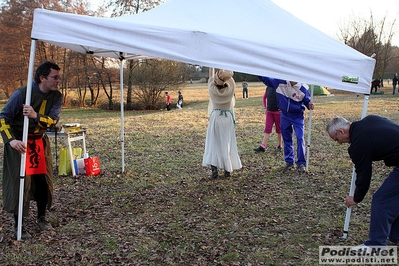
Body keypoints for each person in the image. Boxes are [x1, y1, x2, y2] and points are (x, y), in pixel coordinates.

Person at [0, 61, 62, 239]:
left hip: (39, 143)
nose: (58, 80)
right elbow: (3, 118)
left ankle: (42, 217)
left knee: (42, 181)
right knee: (21, 183)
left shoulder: (56, 96)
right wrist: (11, 141)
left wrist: (35, 116)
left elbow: (53, 121)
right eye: (55, 77)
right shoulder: (22, 94)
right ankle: (18, 225)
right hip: (19, 145)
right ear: (43, 78)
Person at [326, 115, 399, 247]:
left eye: (337, 140)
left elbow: (364, 174)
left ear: (341, 131)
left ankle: (375, 245)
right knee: (394, 199)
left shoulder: (358, 145)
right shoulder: (369, 120)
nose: (340, 143)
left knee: (381, 200)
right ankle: (396, 237)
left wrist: (356, 197)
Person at [258, 76, 314, 174]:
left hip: (297, 116)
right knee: (287, 138)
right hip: (284, 114)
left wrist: (309, 104)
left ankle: (301, 163)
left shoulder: (303, 88)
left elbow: (307, 101)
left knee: (300, 138)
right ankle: (289, 161)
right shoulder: (280, 82)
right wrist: (257, 70)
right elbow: (266, 79)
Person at [202, 70, 242, 178]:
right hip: (227, 118)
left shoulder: (212, 91)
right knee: (226, 142)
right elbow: (232, 83)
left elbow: (210, 81)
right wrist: (225, 77)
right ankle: (227, 169)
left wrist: (216, 78)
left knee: (214, 143)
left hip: (216, 117)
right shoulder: (230, 91)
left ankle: (214, 169)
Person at [254, 86, 282, 153]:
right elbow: (264, 97)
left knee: (279, 130)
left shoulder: (279, 87)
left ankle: (280, 145)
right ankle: (263, 146)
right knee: (267, 129)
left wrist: (282, 108)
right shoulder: (268, 88)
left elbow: (284, 98)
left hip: (278, 113)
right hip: (269, 112)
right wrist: (265, 107)